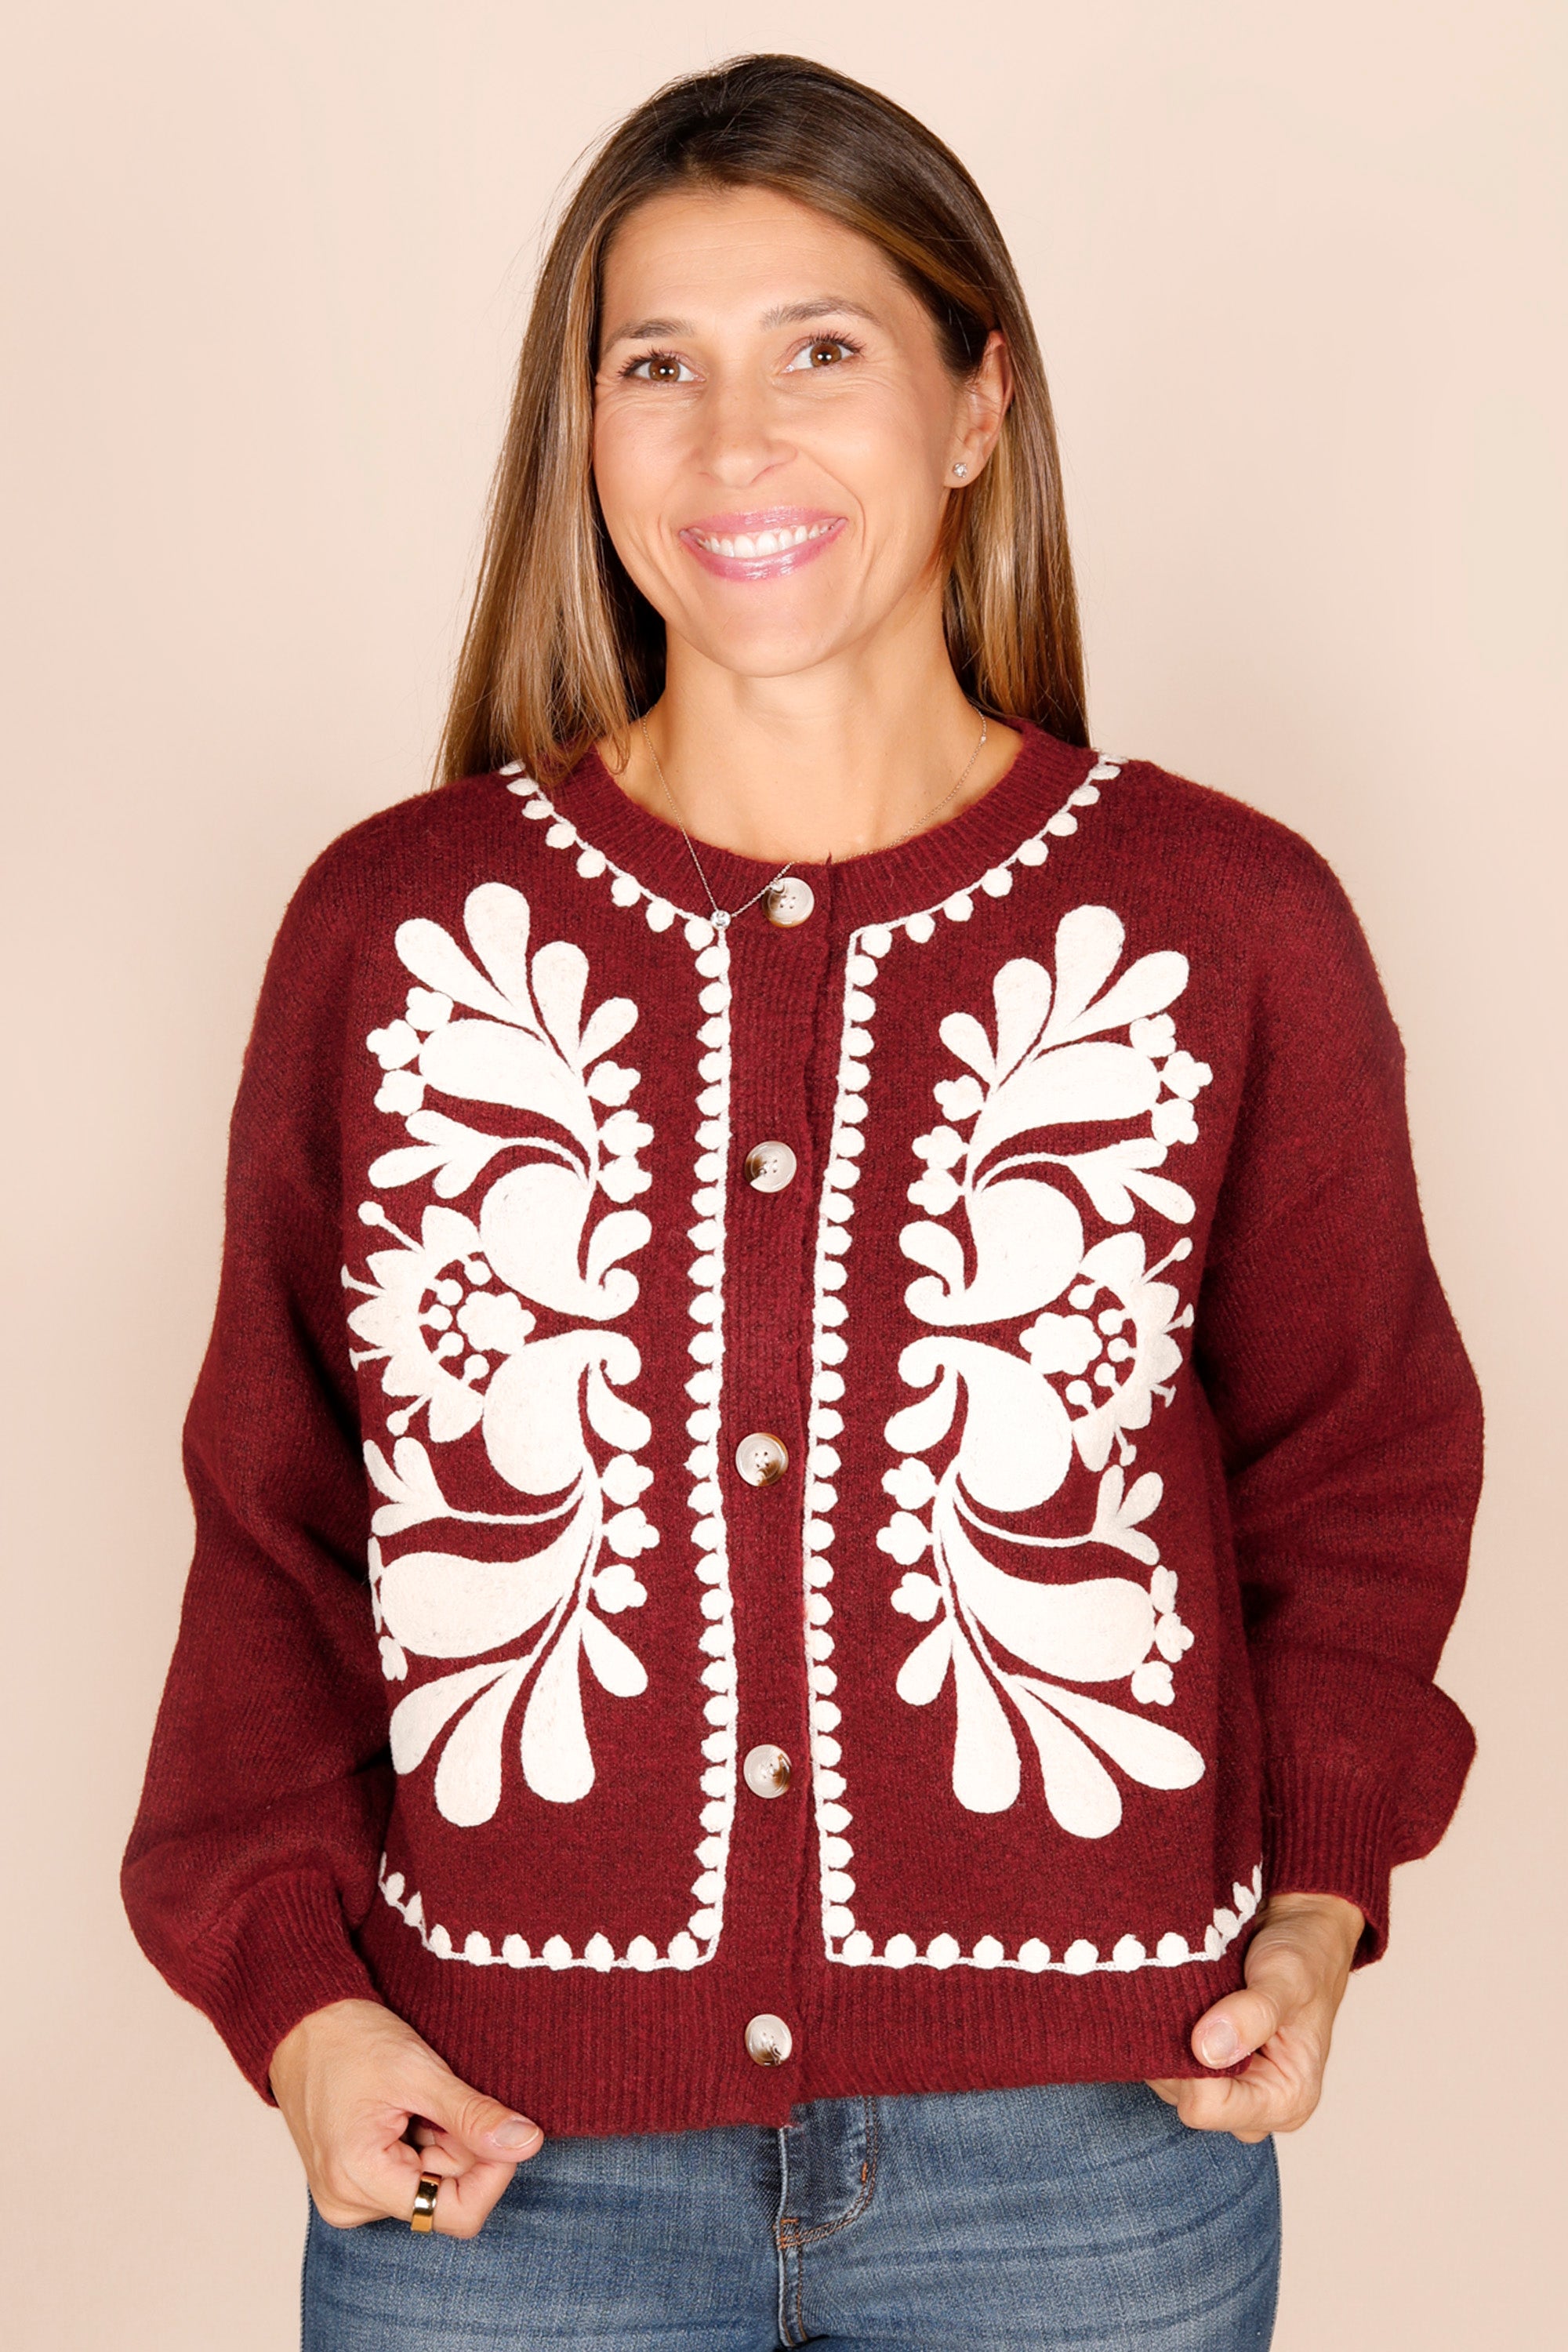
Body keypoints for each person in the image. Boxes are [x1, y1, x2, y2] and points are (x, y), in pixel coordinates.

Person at [122, 52, 1483, 2352]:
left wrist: (1321, 1898)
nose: (733, 444)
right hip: (498, 2142)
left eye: (820, 350)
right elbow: (283, 1508)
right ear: (582, 437)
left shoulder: (1223, 918)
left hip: (1090, 2144)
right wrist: (300, 2000)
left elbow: (1355, 1460)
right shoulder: (400, 927)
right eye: (656, 367)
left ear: (977, 407)